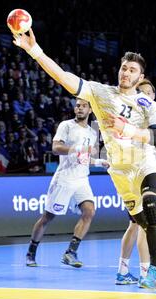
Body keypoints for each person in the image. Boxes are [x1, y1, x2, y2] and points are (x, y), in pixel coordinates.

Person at [13, 29, 156, 290]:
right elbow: (64, 78)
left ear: (140, 77)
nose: (126, 73)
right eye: (124, 68)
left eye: (132, 70)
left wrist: (129, 130)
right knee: (150, 226)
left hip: (145, 163)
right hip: (120, 172)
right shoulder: (100, 93)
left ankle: (154, 272)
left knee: (152, 206)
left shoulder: (148, 105)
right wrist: (35, 51)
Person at [26, 98, 109, 267]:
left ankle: (70, 252)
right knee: (48, 217)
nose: (79, 108)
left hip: (82, 179)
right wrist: (77, 149)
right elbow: (56, 148)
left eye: (83, 106)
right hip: (64, 179)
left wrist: (100, 162)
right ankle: (31, 252)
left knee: (89, 211)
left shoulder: (93, 133)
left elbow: (85, 158)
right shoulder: (66, 125)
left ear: (90, 110)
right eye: (77, 105)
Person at [115, 79, 156, 288]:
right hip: (133, 173)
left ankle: (123, 272)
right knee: (147, 225)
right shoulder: (132, 116)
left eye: (150, 92)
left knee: (135, 225)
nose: (147, 95)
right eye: (142, 91)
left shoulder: (151, 117)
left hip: (137, 171)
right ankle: (146, 274)